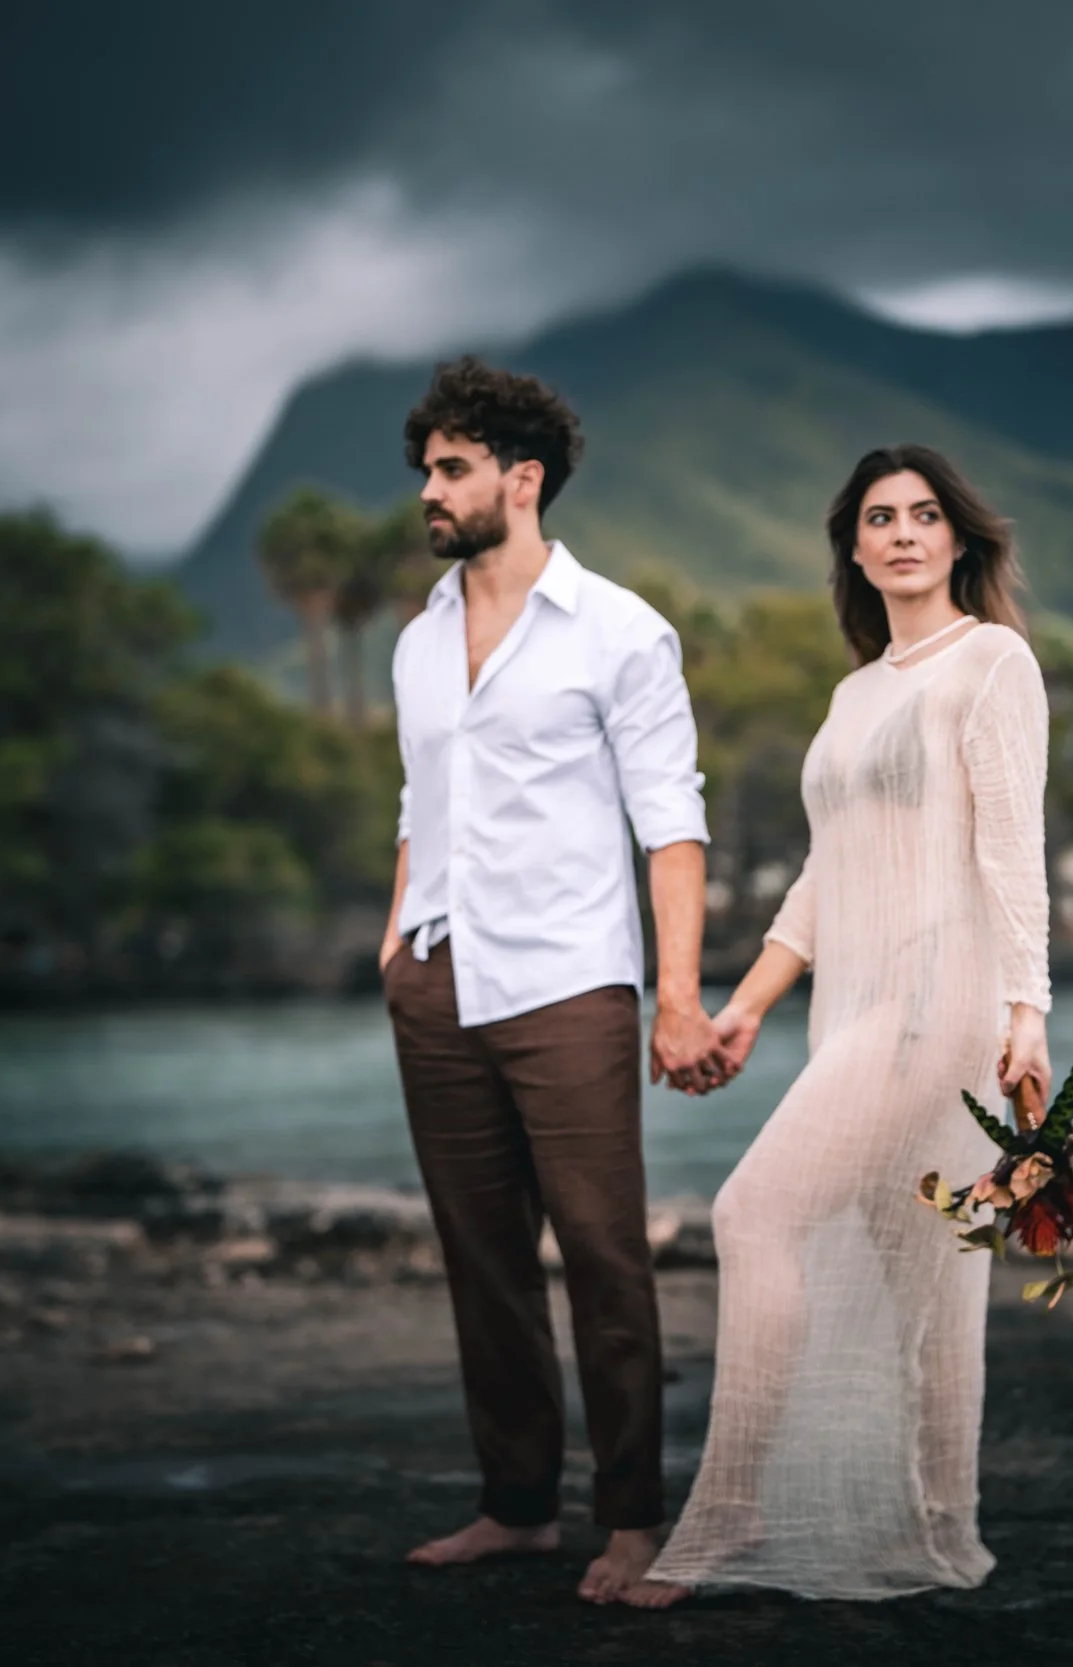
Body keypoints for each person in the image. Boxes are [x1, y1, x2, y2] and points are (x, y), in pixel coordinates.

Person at [622, 443, 1052, 1606]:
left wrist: (1027, 1010)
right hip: (852, 1007)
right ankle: (943, 1525)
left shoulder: (991, 663)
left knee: (751, 1210)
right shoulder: (855, 693)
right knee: (923, 1277)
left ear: (959, 539)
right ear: (854, 549)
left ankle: (726, 1512)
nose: (904, 533)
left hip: (937, 1006)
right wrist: (744, 1009)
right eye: (879, 517)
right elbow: (823, 875)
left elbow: (1014, 853)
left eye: (924, 514)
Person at [381, 356, 734, 1604]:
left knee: (599, 1254)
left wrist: (676, 994)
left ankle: (632, 1520)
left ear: (520, 481)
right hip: (437, 980)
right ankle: (517, 1506)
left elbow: (670, 822)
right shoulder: (419, 639)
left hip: (570, 982)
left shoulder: (621, 630)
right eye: (425, 467)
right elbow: (423, 802)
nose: (427, 488)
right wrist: (395, 934)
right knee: (481, 1255)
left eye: (451, 468)